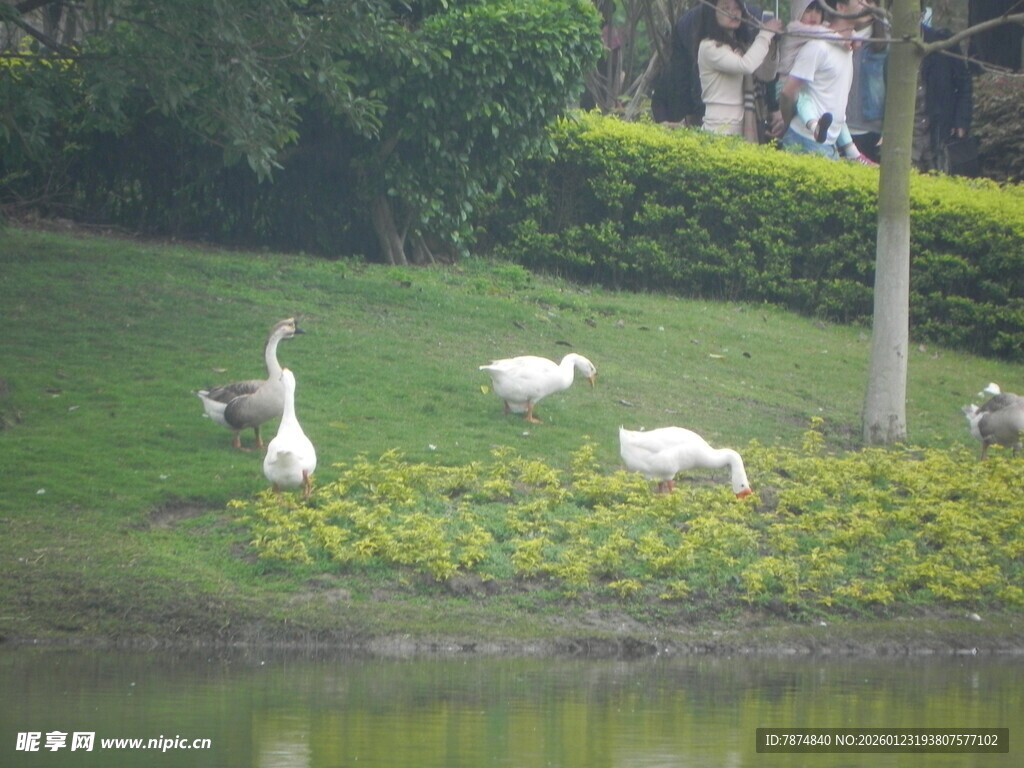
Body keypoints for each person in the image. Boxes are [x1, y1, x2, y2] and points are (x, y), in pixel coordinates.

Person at [778, 0, 877, 163]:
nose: (868, 5)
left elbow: (835, 105)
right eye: (861, 0)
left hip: (828, 144)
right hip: (805, 140)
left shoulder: (848, 46)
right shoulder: (818, 46)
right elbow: (788, 92)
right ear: (840, 7)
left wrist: (851, 150)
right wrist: (788, 121)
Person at [697, 0, 783, 140]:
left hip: (743, 128)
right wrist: (765, 34)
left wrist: (772, 43)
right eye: (726, 8)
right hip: (718, 130)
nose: (733, 13)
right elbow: (745, 66)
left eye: (737, 8)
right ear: (712, 13)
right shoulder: (709, 46)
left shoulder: (741, 47)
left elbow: (766, 75)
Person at [913, 21, 974, 174]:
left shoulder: (943, 43)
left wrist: (961, 121)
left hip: (939, 132)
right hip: (908, 137)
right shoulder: (891, 45)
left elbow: (964, 84)